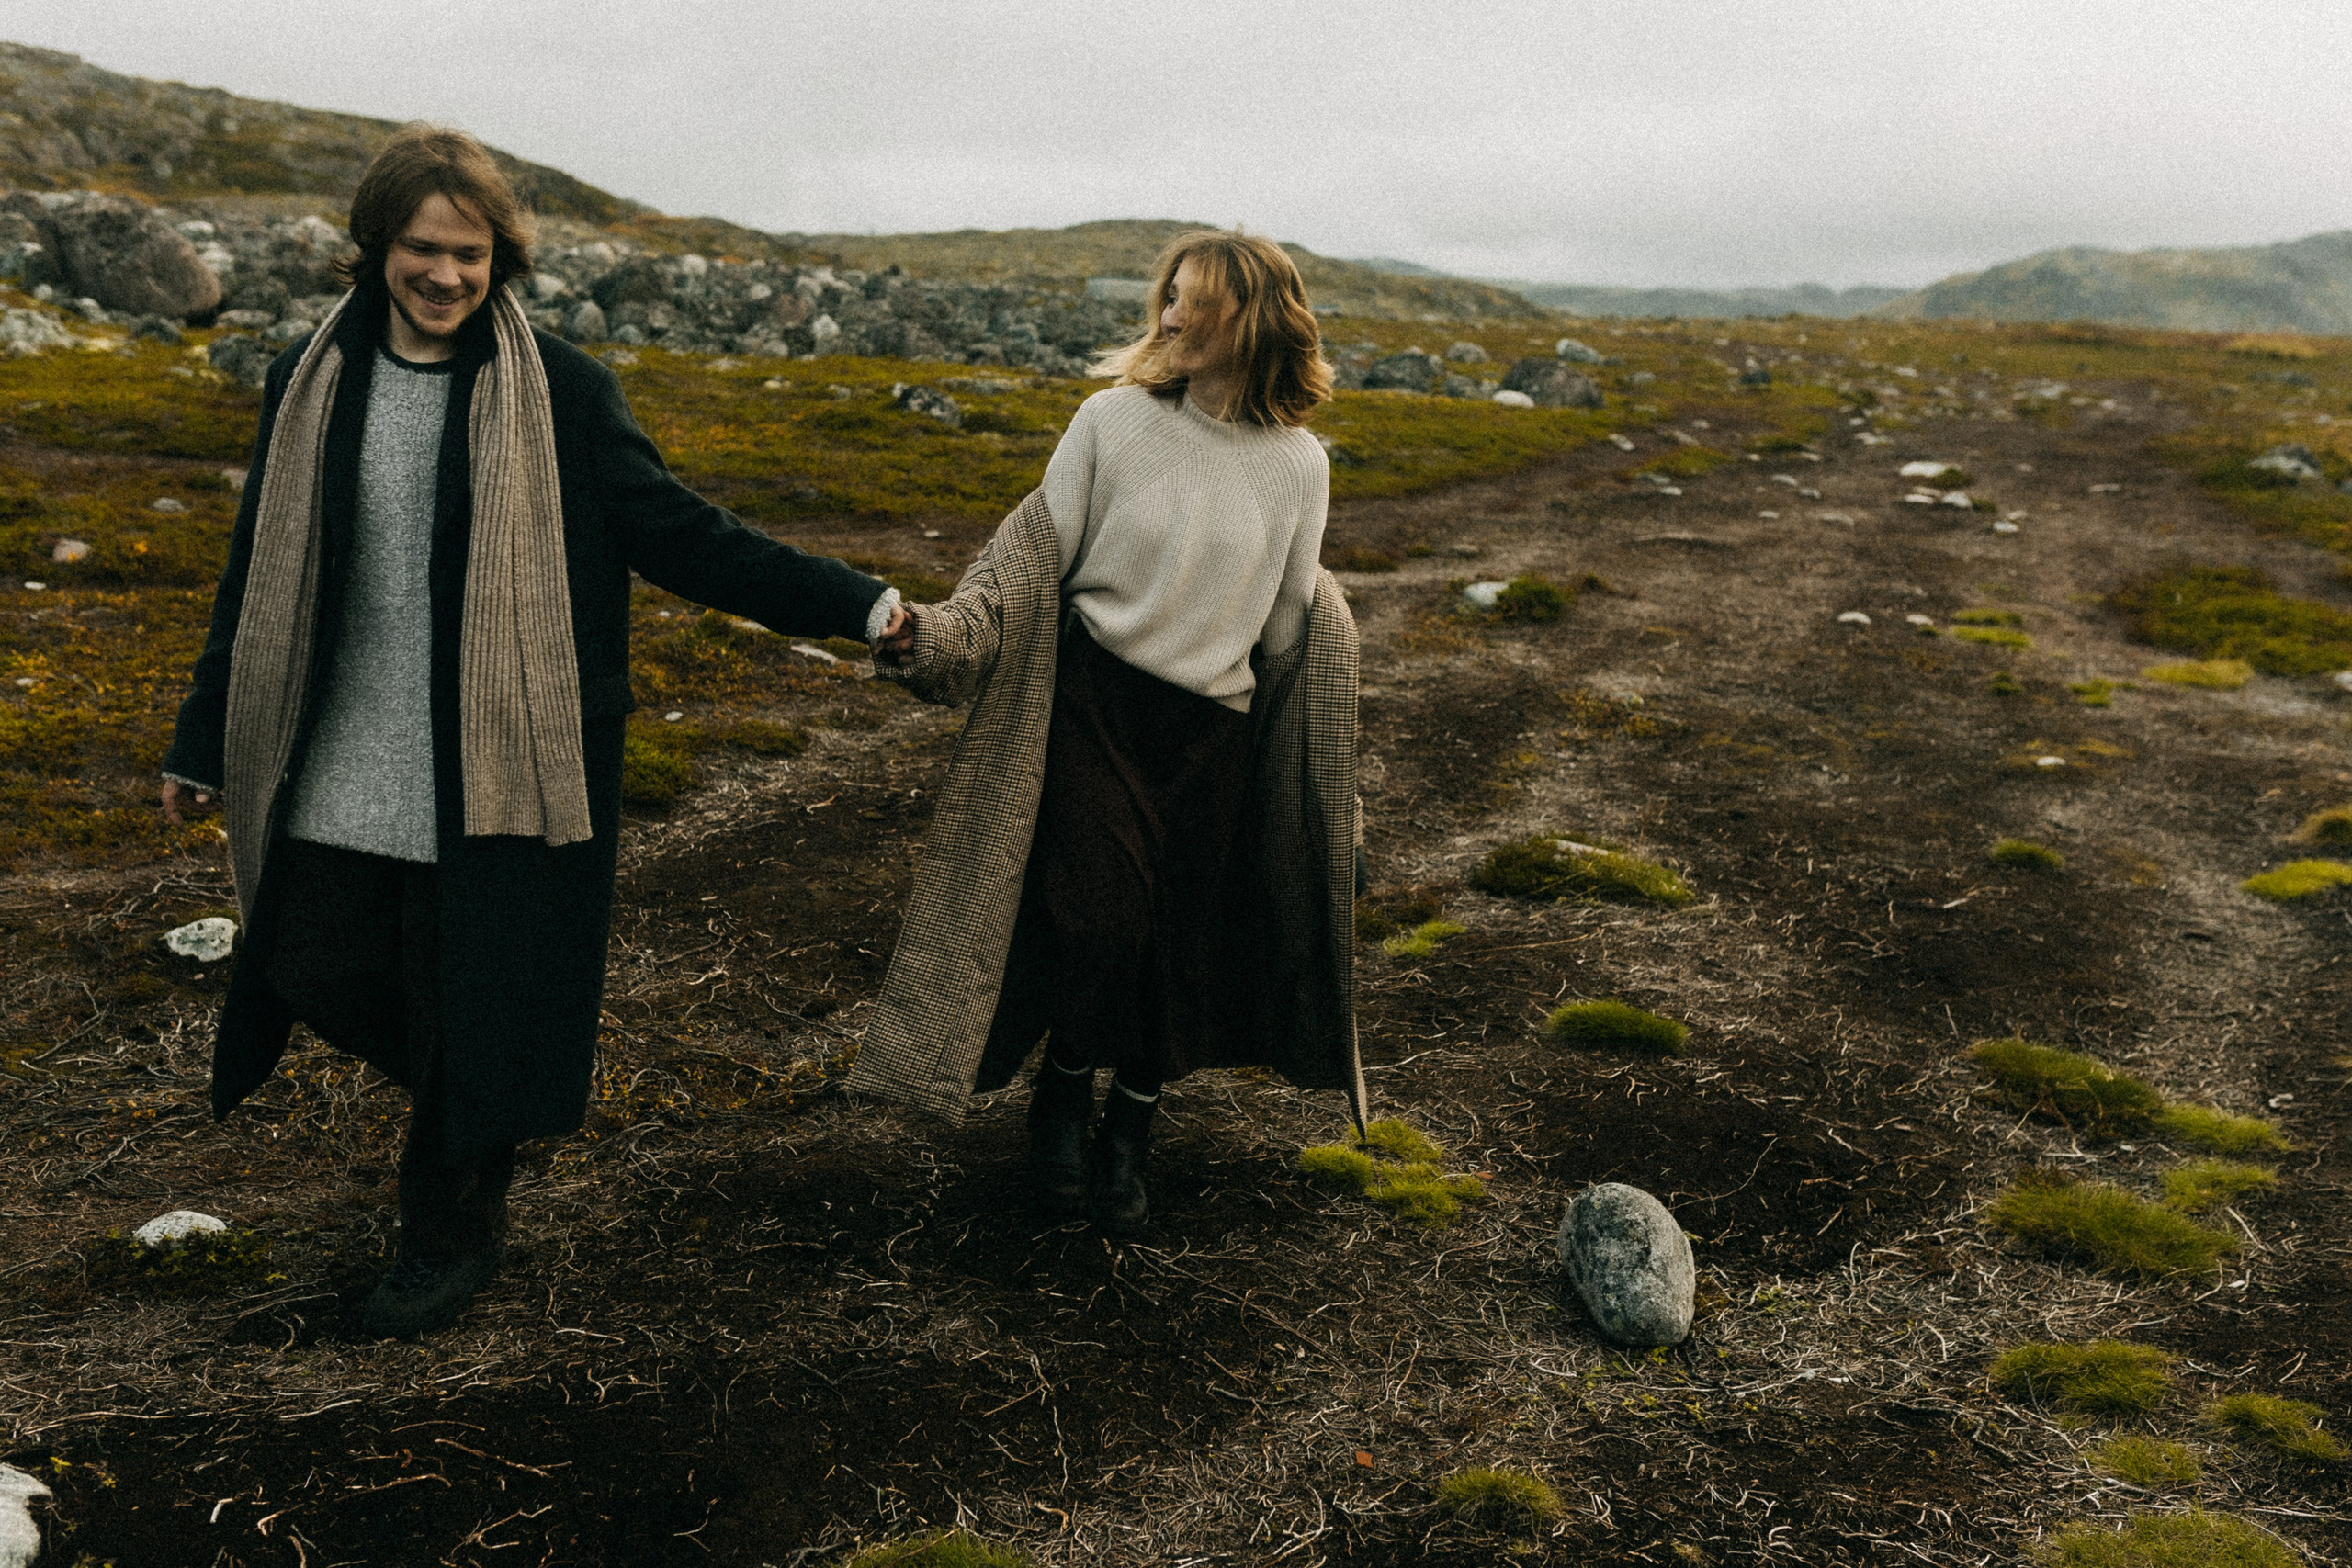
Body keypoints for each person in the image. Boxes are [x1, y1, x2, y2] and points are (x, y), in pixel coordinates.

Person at [159, 124, 904, 1337]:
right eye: (420, 248)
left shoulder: (559, 388)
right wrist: (203, 735)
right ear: (375, 248)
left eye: (470, 252)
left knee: (473, 992)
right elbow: (257, 573)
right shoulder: (311, 376)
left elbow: (686, 535)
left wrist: (861, 605)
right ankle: (492, 1099)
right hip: (346, 750)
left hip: (501, 763)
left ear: (502, 257)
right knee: (311, 956)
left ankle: (450, 1229)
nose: (445, 275)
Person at [854, 230, 1364, 1233]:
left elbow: (1284, 630)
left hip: (1211, 729)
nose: (1169, 317)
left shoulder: (1300, 466)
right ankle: (1060, 1091)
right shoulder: (1111, 423)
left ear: (1250, 320)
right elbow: (1026, 562)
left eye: (1194, 302)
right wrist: (941, 635)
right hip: (1095, 705)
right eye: (1166, 298)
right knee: (1101, 918)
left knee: (1178, 942)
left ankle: (1130, 1127)